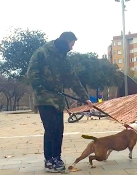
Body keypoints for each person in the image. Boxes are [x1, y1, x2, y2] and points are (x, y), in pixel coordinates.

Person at [26, 32, 93, 172]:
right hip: (44, 98)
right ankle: (49, 160)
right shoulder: (42, 52)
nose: (72, 48)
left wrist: (84, 97)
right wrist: (41, 89)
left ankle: (57, 157)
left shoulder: (63, 58)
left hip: (58, 99)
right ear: (65, 41)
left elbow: (72, 78)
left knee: (59, 130)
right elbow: (32, 74)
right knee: (51, 129)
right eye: (71, 44)